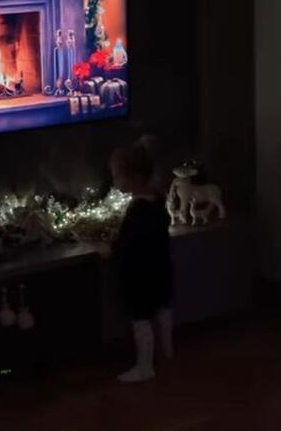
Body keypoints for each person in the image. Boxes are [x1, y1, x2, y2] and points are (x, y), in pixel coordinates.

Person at [110, 136, 173, 383]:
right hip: (161, 271)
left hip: (140, 277)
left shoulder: (138, 211)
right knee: (162, 311)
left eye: (117, 176)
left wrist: (110, 249)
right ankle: (167, 353)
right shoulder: (157, 201)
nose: (115, 181)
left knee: (141, 321)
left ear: (135, 178)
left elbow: (127, 246)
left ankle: (145, 367)